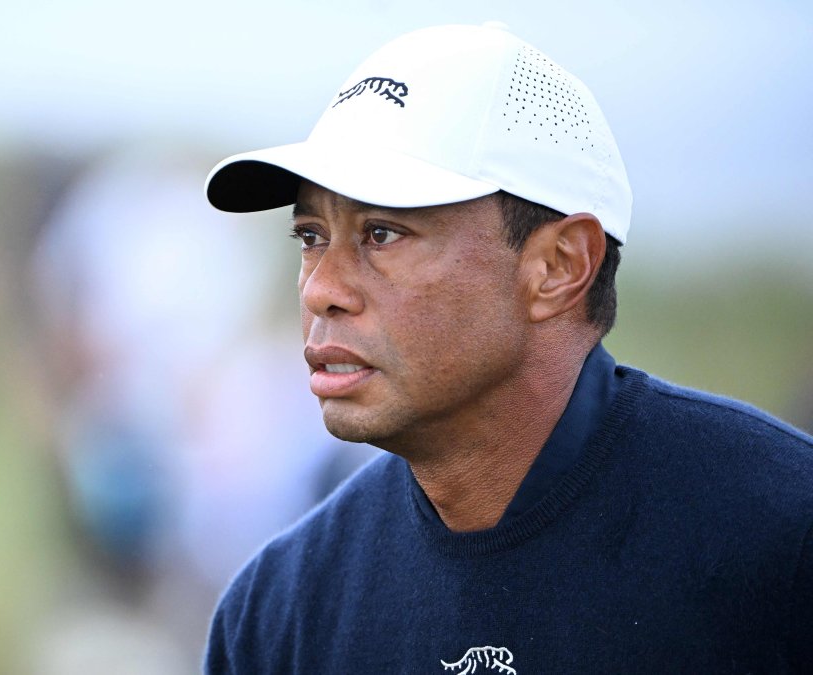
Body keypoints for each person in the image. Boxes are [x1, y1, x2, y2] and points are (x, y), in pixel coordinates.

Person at [200, 22, 813, 673]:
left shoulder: (780, 537)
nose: (321, 289)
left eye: (381, 233)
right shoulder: (277, 614)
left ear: (557, 265)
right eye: (310, 236)